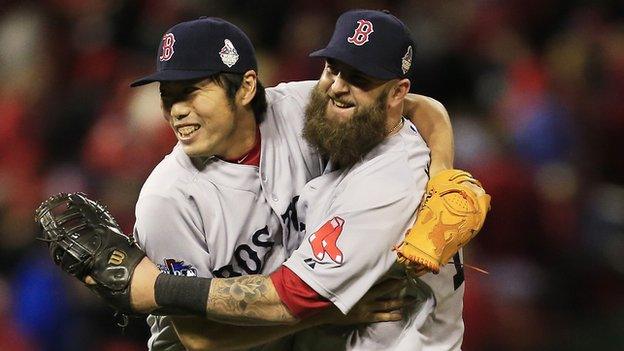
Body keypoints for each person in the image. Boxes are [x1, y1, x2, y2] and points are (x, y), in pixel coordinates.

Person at [121, 10, 471, 350]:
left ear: (245, 88)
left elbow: (416, 106)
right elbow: (200, 339)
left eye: (192, 91)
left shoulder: (298, 113)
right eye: (169, 95)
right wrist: (326, 314)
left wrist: (441, 173)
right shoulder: (166, 198)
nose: (177, 109)